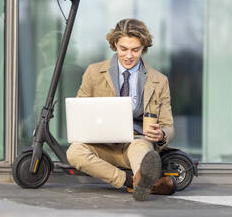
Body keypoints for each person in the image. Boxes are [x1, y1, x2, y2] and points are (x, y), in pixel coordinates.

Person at [66, 18, 176, 201]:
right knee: (74, 152)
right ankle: (134, 182)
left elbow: (168, 125)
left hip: (137, 141)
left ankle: (143, 179)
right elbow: (79, 112)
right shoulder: (93, 73)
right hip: (101, 144)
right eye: (123, 49)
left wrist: (161, 135)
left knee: (142, 152)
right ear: (115, 43)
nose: (129, 55)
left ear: (144, 48)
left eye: (135, 50)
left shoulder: (159, 80)